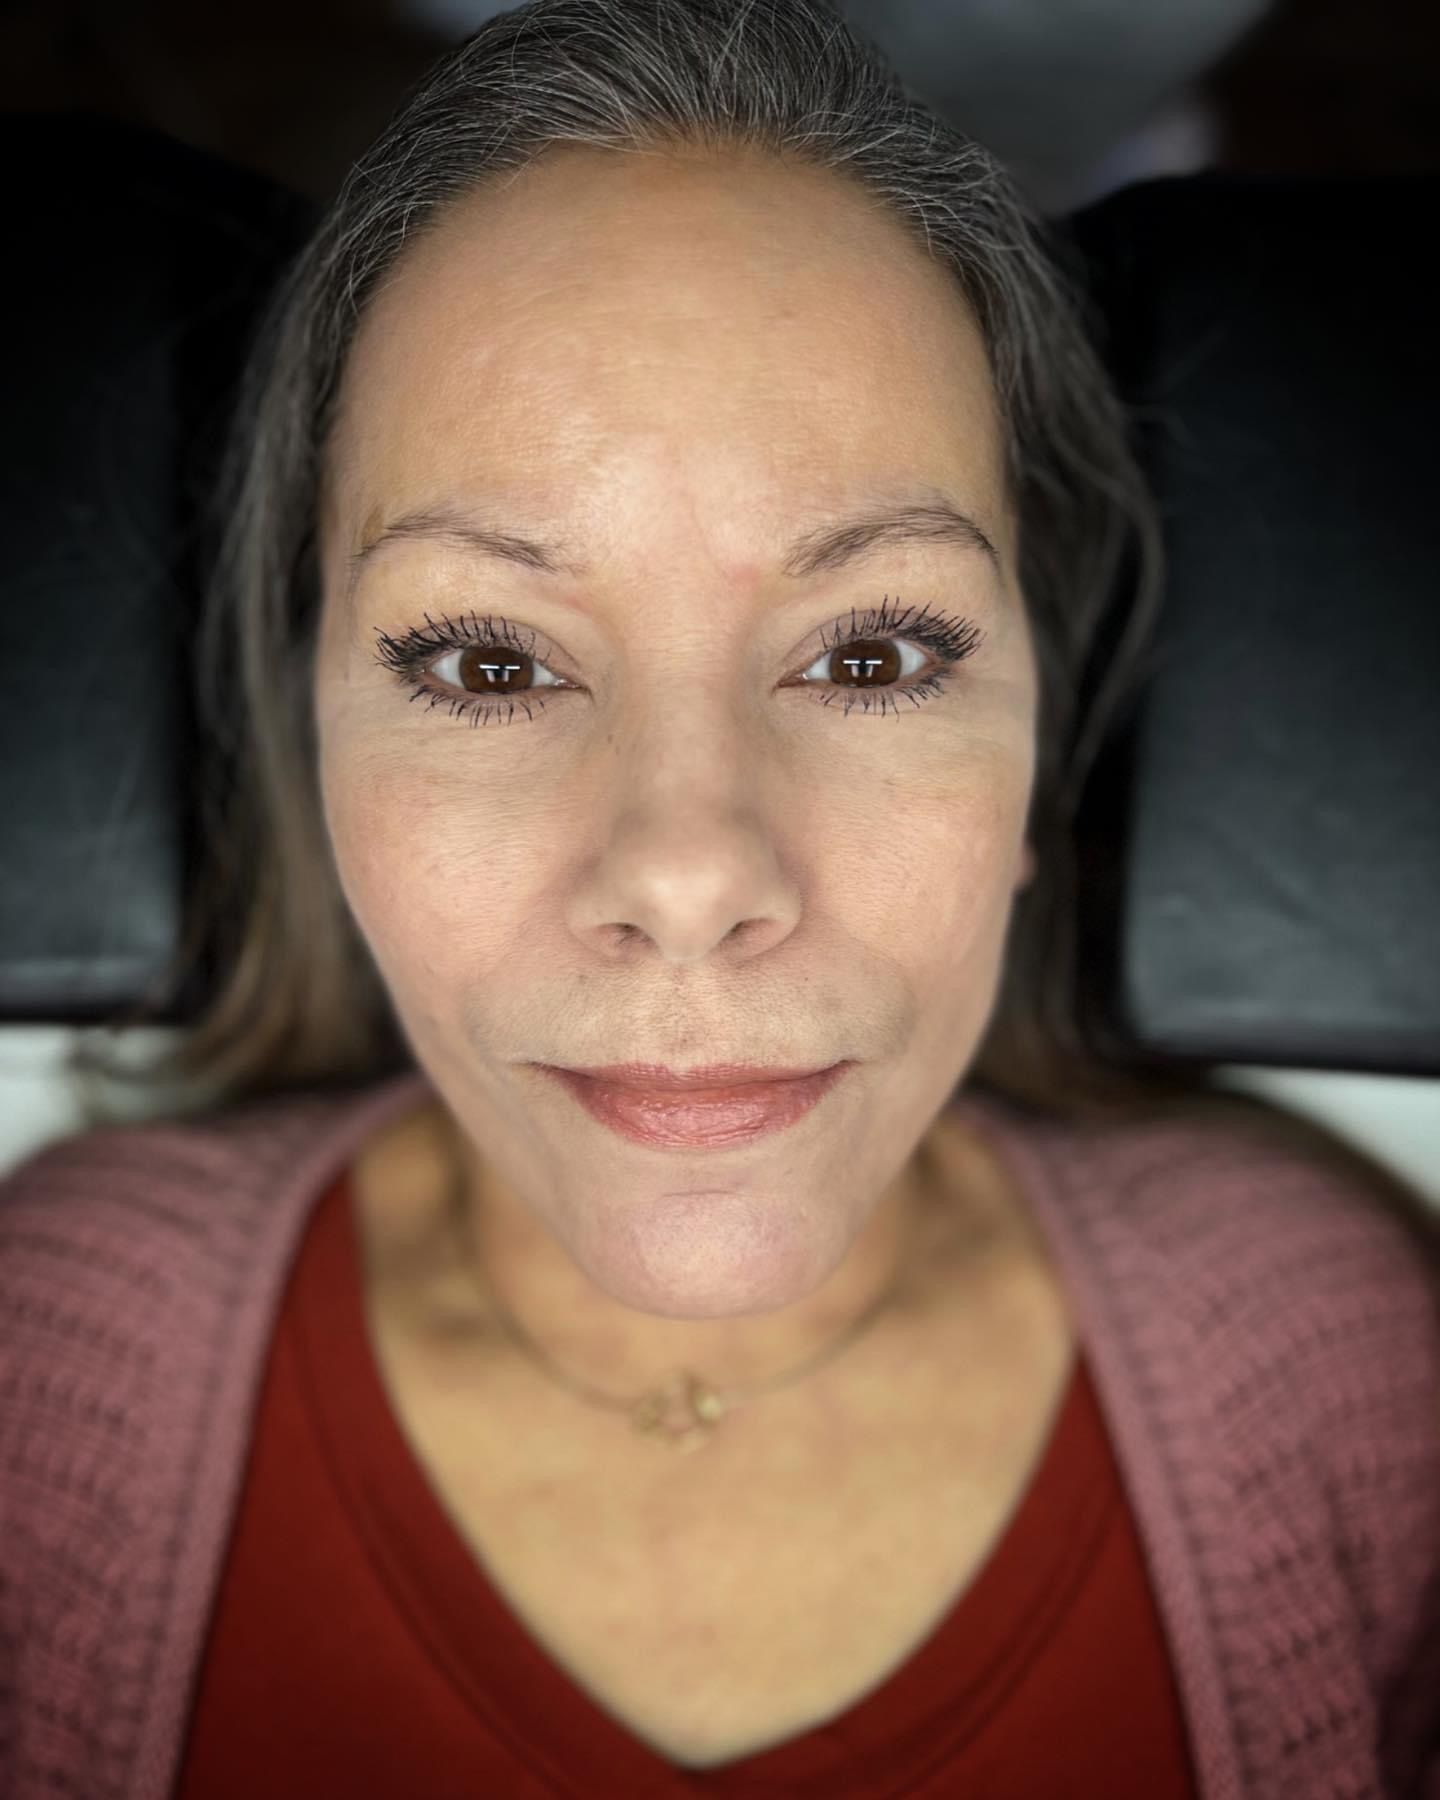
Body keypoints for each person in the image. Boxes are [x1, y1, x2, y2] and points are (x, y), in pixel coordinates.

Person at [5, 1, 1439, 1794]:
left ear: (1035, 751)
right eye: (484, 664)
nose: (690, 877)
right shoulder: (38, 1370)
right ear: (319, 748)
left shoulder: (1332, 1354)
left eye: (872, 655)